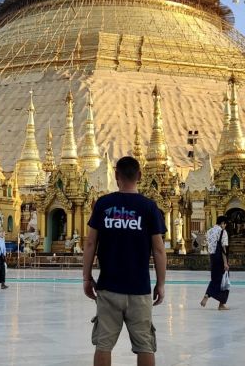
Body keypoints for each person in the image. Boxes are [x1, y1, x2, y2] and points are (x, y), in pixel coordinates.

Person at [83, 156, 166, 366]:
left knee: (103, 344)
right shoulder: (149, 207)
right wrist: (161, 284)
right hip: (139, 289)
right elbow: (158, 249)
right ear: (139, 176)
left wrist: (86, 278)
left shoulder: (103, 204)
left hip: (108, 287)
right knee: (145, 345)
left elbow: (90, 243)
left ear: (116, 175)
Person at [200, 215, 230, 310]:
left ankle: (207, 294)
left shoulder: (209, 231)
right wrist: (225, 263)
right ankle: (221, 304)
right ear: (222, 223)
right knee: (225, 281)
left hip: (212, 257)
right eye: (225, 224)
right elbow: (223, 248)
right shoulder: (223, 232)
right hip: (220, 258)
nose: (225, 226)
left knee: (215, 278)